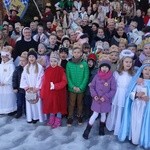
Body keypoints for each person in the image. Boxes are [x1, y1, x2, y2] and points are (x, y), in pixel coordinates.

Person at [118, 59, 150, 149]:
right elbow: (129, 94)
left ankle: (142, 139)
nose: (148, 71)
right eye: (145, 69)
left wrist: (148, 98)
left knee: (143, 123)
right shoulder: (138, 81)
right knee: (134, 122)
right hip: (136, 107)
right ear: (142, 71)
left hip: (146, 109)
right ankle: (134, 139)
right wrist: (136, 95)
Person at [83, 58, 116, 139]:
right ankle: (87, 130)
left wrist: (105, 97)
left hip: (105, 101)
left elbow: (113, 90)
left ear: (109, 68)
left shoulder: (111, 78)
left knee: (103, 114)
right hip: (96, 100)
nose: (104, 68)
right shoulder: (97, 76)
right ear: (100, 67)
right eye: (103, 67)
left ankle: (101, 128)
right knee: (95, 114)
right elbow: (92, 86)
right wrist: (94, 95)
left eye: (106, 67)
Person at [106, 49, 135, 136]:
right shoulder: (117, 73)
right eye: (126, 62)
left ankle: (121, 127)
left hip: (126, 94)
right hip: (118, 93)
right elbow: (112, 84)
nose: (128, 64)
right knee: (116, 108)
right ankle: (114, 125)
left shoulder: (132, 74)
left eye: (130, 62)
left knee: (124, 110)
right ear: (122, 62)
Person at [41, 51, 67, 128]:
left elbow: (64, 81)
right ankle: (52, 118)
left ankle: (58, 119)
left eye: (55, 61)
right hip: (50, 93)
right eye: (51, 61)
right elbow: (45, 82)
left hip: (59, 92)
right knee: (52, 105)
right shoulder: (47, 70)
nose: (53, 63)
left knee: (58, 105)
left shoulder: (61, 70)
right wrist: (44, 92)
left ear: (58, 61)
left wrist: (55, 86)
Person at [20, 49, 45, 124]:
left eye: (33, 57)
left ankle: (38, 117)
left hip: (36, 90)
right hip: (29, 89)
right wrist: (26, 87)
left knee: (37, 103)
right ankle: (32, 117)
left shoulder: (39, 67)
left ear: (36, 58)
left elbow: (41, 78)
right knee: (30, 103)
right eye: (30, 57)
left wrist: (37, 88)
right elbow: (23, 78)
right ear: (28, 58)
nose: (31, 58)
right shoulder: (26, 67)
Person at [66, 45, 89, 126]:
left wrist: (81, 87)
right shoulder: (69, 63)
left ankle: (79, 115)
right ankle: (70, 116)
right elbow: (68, 76)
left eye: (78, 52)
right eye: (75, 52)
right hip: (72, 88)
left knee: (80, 103)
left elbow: (86, 76)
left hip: (80, 89)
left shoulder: (84, 64)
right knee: (71, 103)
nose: (76, 54)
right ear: (72, 53)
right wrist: (73, 86)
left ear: (81, 53)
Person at [0, 47, 17, 115]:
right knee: (2, 98)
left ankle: (11, 109)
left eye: (5, 57)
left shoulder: (11, 65)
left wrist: (5, 82)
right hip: (1, 86)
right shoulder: (1, 65)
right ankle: (3, 109)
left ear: (9, 57)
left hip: (8, 86)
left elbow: (11, 75)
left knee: (9, 97)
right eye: (2, 57)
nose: (4, 59)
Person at [12, 51, 28, 118]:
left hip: (26, 90)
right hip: (19, 90)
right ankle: (19, 112)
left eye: (23, 61)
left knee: (26, 102)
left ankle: (27, 112)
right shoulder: (17, 69)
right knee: (19, 102)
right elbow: (14, 78)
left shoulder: (28, 69)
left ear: (27, 61)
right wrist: (15, 87)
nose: (21, 62)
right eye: (20, 60)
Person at [84, 53, 98, 119]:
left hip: (94, 91)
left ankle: (92, 115)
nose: (90, 63)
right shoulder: (85, 69)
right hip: (86, 90)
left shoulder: (96, 70)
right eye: (89, 61)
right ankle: (86, 114)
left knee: (92, 103)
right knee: (86, 102)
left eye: (92, 62)